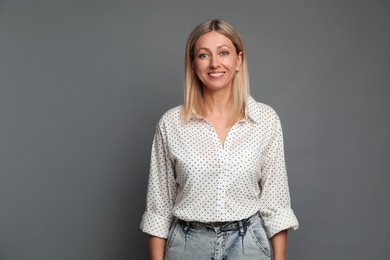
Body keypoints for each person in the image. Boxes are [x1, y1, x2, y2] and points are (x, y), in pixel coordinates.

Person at [140, 19, 299, 260]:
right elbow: (158, 207)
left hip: (249, 245)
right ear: (193, 64)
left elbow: (275, 202)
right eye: (204, 55)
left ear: (239, 60)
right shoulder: (171, 123)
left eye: (223, 52)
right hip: (187, 246)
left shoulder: (265, 119)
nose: (215, 63)